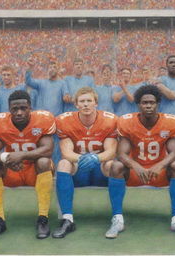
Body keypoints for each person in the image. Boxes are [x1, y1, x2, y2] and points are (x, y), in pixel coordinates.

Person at [108, 84, 175, 239]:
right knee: (116, 166)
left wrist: (159, 165)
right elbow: (121, 153)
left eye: (151, 102)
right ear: (138, 104)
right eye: (144, 102)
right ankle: (117, 219)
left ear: (157, 104)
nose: (148, 105)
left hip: (158, 173)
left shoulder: (170, 122)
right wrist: (136, 166)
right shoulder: (127, 122)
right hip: (135, 173)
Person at [0, 90, 55, 240]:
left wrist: (21, 155)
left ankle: (43, 218)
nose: (19, 112)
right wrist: (6, 158)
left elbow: (48, 149)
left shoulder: (42, 119)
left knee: (44, 161)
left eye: (23, 108)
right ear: (9, 109)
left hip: (34, 171)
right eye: (14, 109)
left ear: (30, 107)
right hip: (12, 170)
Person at [53, 86, 119, 238]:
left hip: (100, 170)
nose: (86, 104)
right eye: (82, 101)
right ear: (76, 104)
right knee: (63, 163)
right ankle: (67, 220)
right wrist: (82, 159)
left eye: (89, 101)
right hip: (79, 169)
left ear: (96, 103)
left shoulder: (109, 120)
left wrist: (95, 158)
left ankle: (117, 217)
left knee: (112, 164)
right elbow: (66, 152)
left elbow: (111, 151)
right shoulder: (65, 120)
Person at [25, 57, 70, 166]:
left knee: (55, 147)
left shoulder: (62, 83)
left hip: (55, 121)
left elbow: (66, 96)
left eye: (54, 67)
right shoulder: (41, 83)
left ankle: (54, 170)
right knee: (39, 144)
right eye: (50, 67)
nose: (51, 69)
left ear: (58, 69)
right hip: (40, 122)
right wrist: (30, 68)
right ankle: (39, 169)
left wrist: (67, 97)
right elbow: (29, 81)